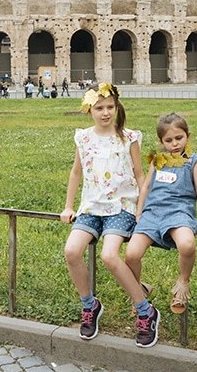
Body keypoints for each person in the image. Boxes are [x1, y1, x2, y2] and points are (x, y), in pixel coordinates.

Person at [60, 84, 150, 345]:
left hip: (121, 206)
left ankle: (145, 310)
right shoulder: (84, 138)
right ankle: (90, 305)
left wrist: (142, 207)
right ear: (89, 110)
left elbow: (139, 173)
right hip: (91, 206)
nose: (105, 113)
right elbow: (76, 172)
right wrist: (69, 206)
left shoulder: (129, 137)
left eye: (110, 107)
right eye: (99, 108)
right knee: (71, 251)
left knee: (109, 256)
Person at [125, 113, 197, 327]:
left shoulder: (193, 161)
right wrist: (139, 211)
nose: (174, 144)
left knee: (187, 244)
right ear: (161, 141)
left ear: (187, 136)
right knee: (131, 254)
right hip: (153, 213)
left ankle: (182, 283)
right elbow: (146, 186)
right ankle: (139, 291)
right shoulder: (158, 159)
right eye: (168, 140)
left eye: (179, 138)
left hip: (179, 212)